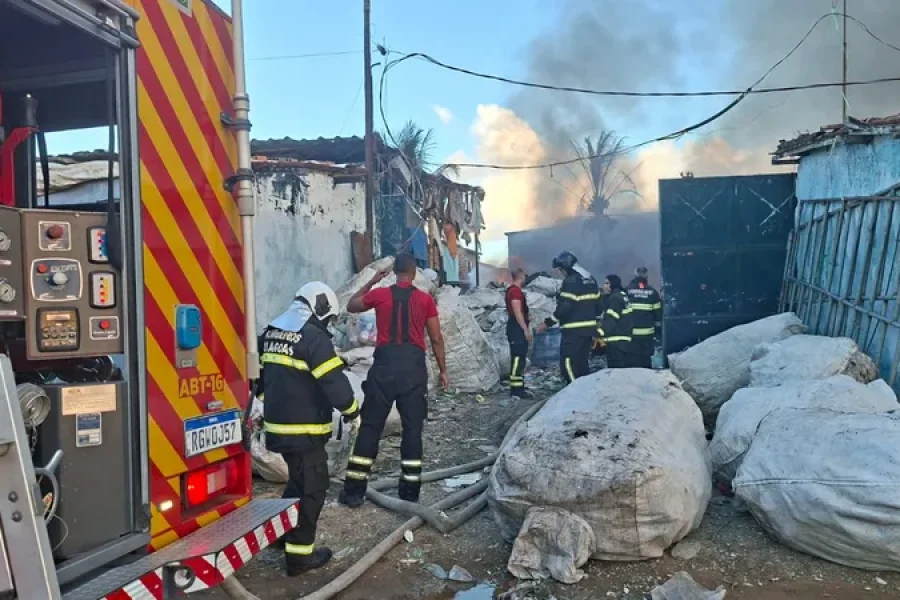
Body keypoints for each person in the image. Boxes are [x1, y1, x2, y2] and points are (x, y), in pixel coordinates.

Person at [258, 282, 360, 576]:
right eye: (329, 318)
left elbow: (263, 382)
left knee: (297, 484)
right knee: (314, 488)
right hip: (304, 431)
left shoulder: (272, 332)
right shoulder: (313, 338)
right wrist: (353, 412)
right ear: (322, 307)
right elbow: (335, 385)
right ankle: (300, 557)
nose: (328, 325)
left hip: (278, 428)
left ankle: (280, 535)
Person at [339, 253, 448, 507]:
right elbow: (436, 338)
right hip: (413, 368)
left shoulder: (380, 295)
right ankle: (409, 493)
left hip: (384, 367)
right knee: (412, 429)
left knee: (370, 427)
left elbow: (352, 305)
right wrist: (443, 370)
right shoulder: (425, 300)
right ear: (414, 273)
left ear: (394, 272)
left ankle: (354, 492)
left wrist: (372, 282)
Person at [537, 251, 601, 384]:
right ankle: (586, 392)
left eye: (561, 269)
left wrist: (547, 323)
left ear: (565, 267)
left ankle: (573, 391)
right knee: (582, 363)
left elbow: (565, 307)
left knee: (568, 364)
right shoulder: (591, 280)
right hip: (589, 331)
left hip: (573, 331)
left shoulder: (571, 281)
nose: (561, 272)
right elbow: (599, 307)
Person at [626, 266, 663, 368]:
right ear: (647, 276)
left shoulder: (627, 291)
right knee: (646, 360)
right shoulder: (653, 292)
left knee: (632, 360)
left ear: (635, 275)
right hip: (647, 334)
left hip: (631, 333)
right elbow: (658, 315)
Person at [505, 268, 532, 397]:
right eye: (524, 277)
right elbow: (517, 312)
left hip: (516, 328)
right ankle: (516, 390)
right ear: (521, 277)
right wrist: (525, 330)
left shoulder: (514, 291)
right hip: (516, 329)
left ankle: (519, 385)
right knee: (517, 359)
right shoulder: (515, 292)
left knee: (520, 359)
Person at [597, 274, 634, 368]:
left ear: (612, 284)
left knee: (615, 370)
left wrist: (599, 333)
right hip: (624, 340)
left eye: (606, 283)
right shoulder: (623, 296)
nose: (604, 286)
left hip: (616, 341)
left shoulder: (615, 298)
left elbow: (611, 319)